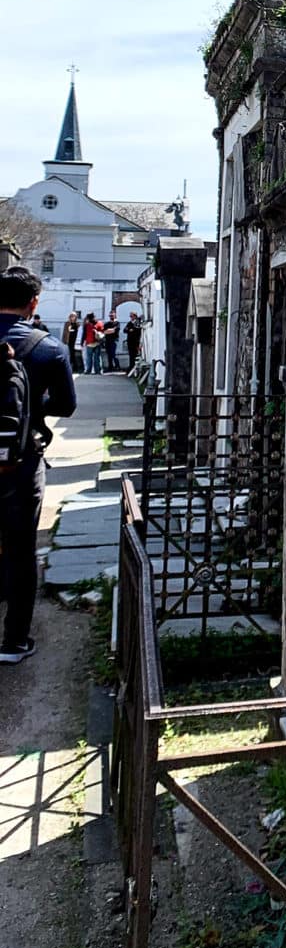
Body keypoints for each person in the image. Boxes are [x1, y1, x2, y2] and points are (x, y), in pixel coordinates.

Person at [0, 265, 76, 664]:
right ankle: (13, 641)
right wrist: (32, 411)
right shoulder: (47, 348)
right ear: (33, 302)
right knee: (20, 546)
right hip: (20, 462)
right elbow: (66, 405)